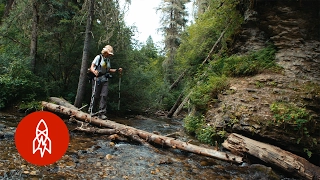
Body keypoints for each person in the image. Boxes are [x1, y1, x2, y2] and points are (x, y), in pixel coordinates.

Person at [88, 45, 122, 119]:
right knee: (95, 96)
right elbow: (92, 66)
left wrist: (116, 70)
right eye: (108, 53)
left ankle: (101, 113)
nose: (109, 55)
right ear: (105, 52)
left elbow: (108, 70)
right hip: (97, 79)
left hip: (105, 79)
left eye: (110, 54)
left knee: (104, 95)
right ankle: (92, 111)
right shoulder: (98, 57)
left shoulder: (107, 60)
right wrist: (94, 71)